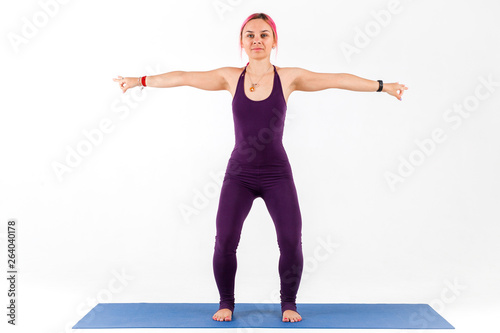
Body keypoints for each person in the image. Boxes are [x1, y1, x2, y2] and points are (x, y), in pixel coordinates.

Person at [113, 12, 408, 324]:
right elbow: (184, 76)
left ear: (274, 41)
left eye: (264, 35)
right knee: (225, 239)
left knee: (291, 239)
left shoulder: (288, 77)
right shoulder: (230, 78)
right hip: (239, 175)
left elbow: (336, 79)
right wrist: (138, 81)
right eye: (250, 35)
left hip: (276, 174)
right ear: (242, 42)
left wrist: (382, 86)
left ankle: (289, 304)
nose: (257, 40)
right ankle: (226, 302)